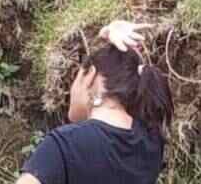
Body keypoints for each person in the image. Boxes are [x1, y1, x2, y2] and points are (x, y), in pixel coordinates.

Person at [18, 21, 173, 184]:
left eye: (75, 78)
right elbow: (132, 67)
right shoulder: (151, 143)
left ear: (90, 75)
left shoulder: (64, 145)